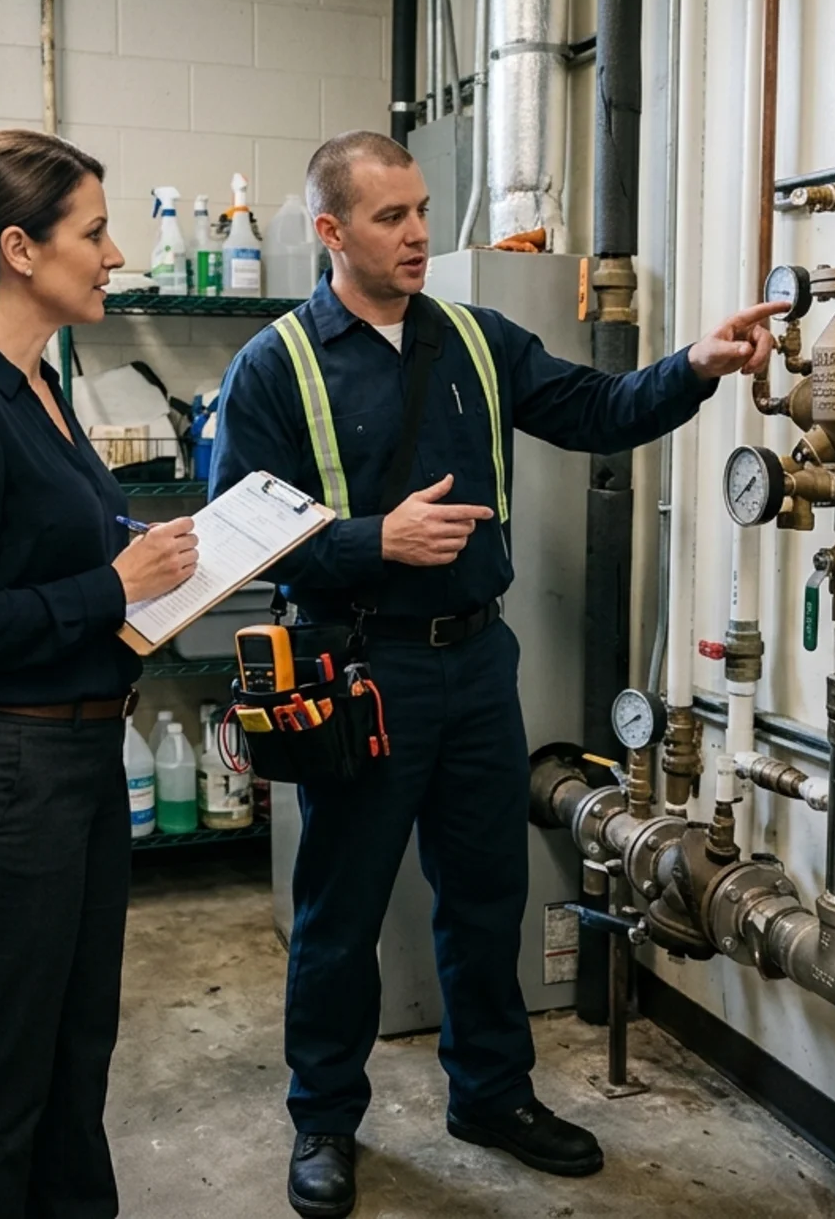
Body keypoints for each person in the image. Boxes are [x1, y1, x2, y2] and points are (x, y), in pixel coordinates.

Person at [210, 130, 782, 1218]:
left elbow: (594, 408)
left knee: (486, 896)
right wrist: (372, 541)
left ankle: (490, 1094)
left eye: (422, 209)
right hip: (356, 672)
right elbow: (237, 539)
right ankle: (324, 1118)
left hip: (475, 662)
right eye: (389, 217)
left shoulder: (476, 340)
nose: (419, 231)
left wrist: (695, 367)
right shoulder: (273, 367)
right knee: (341, 912)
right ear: (331, 232)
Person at [0, 129, 199, 1219]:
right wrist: (114, 585)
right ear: (19, 248)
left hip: (70, 756)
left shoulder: (36, 386)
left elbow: (71, 549)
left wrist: (167, 559)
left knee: (75, 1046)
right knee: (1, 1072)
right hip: (1, 773)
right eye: (95, 232)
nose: (115, 256)